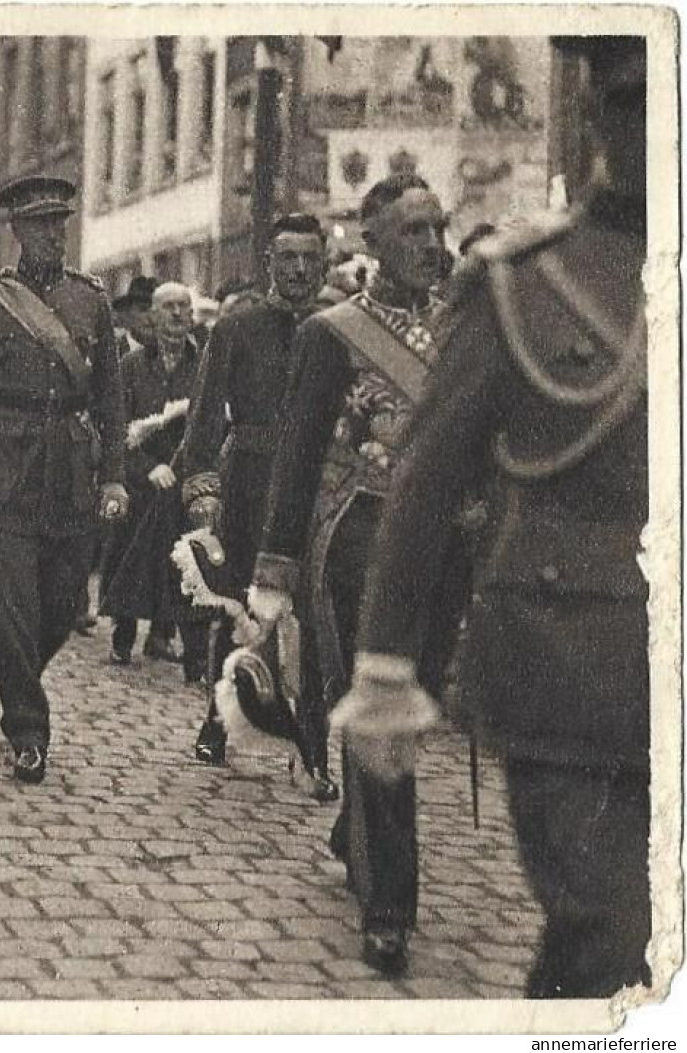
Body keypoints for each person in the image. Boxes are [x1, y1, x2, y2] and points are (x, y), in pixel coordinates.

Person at [336, 35, 650, 999]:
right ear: (600, 118)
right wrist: (385, 670)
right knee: (613, 938)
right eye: (640, 105)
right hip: (573, 666)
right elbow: (425, 483)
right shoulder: (522, 280)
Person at [249, 174, 462, 977]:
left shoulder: (464, 323)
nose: (432, 246)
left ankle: (354, 832)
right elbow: (297, 457)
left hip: (447, 545)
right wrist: (274, 566)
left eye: (437, 228)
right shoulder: (332, 335)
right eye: (412, 231)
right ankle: (388, 907)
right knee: (384, 710)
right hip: (360, 539)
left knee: (421, 700)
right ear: (371, 241)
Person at [0, 175, 129, 785]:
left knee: (67, 599)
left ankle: (20, 684)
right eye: (41, 225)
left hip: (71, 469)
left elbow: (111, 399)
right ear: (17, 232)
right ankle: (27, 728)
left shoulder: (91, 300)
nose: (54, 235)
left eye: (60, 224)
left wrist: (115, 479)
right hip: (3, 468)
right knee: (12, 608)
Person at [176, 212, 336, 801]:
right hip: (249, 481)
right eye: (286, 258)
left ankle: (314, 750)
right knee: (239, 607)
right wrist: (204, 487)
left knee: (312, 619)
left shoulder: (339, 328)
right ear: (268, 264)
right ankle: (218, 723)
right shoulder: (236, 328)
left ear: (324, 264)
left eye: (308, 259)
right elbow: (204, 414)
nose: (297, 269)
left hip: (318, 485)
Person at [99, 281, 206, 679]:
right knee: (134, 535)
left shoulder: (205, 365)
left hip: (188, 474)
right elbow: (115, 430)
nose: (177, 314)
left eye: (184, 307)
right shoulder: (130, 366)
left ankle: (182, 641)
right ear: (152, 316)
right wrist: (146, 467)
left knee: (191, 552)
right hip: (141, 477)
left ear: (192, 316)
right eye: (168, 307)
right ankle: (124, 630)